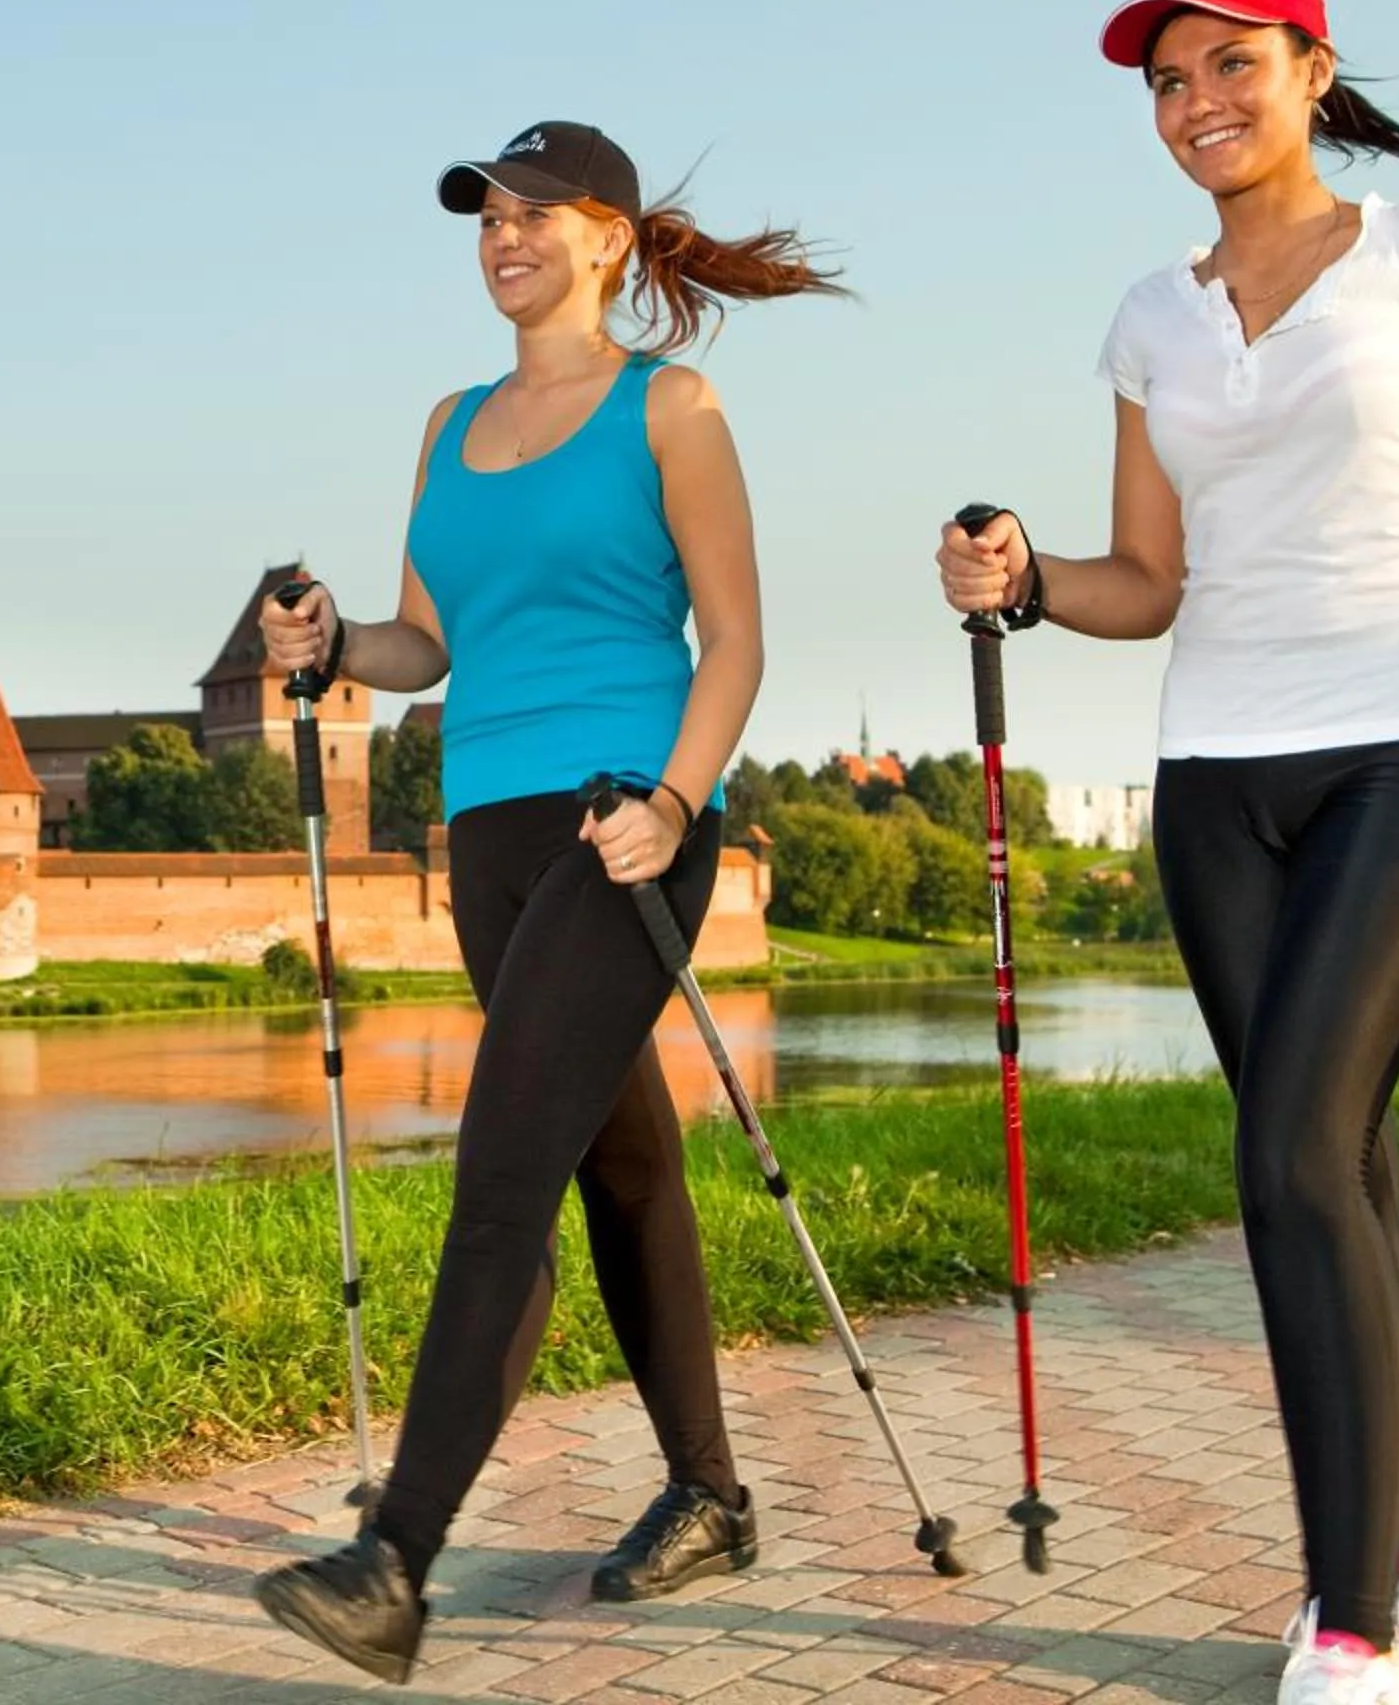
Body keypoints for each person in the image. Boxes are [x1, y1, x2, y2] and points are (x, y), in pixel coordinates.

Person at [935, 0, 1399, 1705]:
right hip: (1218, 781)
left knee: (1292, 1157)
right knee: (1348, 1174)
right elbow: (1148, 581)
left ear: (1312, 69)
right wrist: (1024, 583)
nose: (1198, 103)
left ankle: (1352, 1617)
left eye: (1230, 65)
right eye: (1167, 82)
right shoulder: (1150, 318)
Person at [251, 120, 845, 1683]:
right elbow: (425, 645)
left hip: (620, 827)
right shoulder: (449, 424)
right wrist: (331, 645)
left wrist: (671, 799)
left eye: (533, 214)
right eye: (486, 217)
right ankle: (712, 1495)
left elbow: (736, 641)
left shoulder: (673, 406)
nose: (502, 237)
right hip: (487, 836)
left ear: (609, 237)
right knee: (624, 1161)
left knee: (503, 1166)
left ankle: (400, 1559)